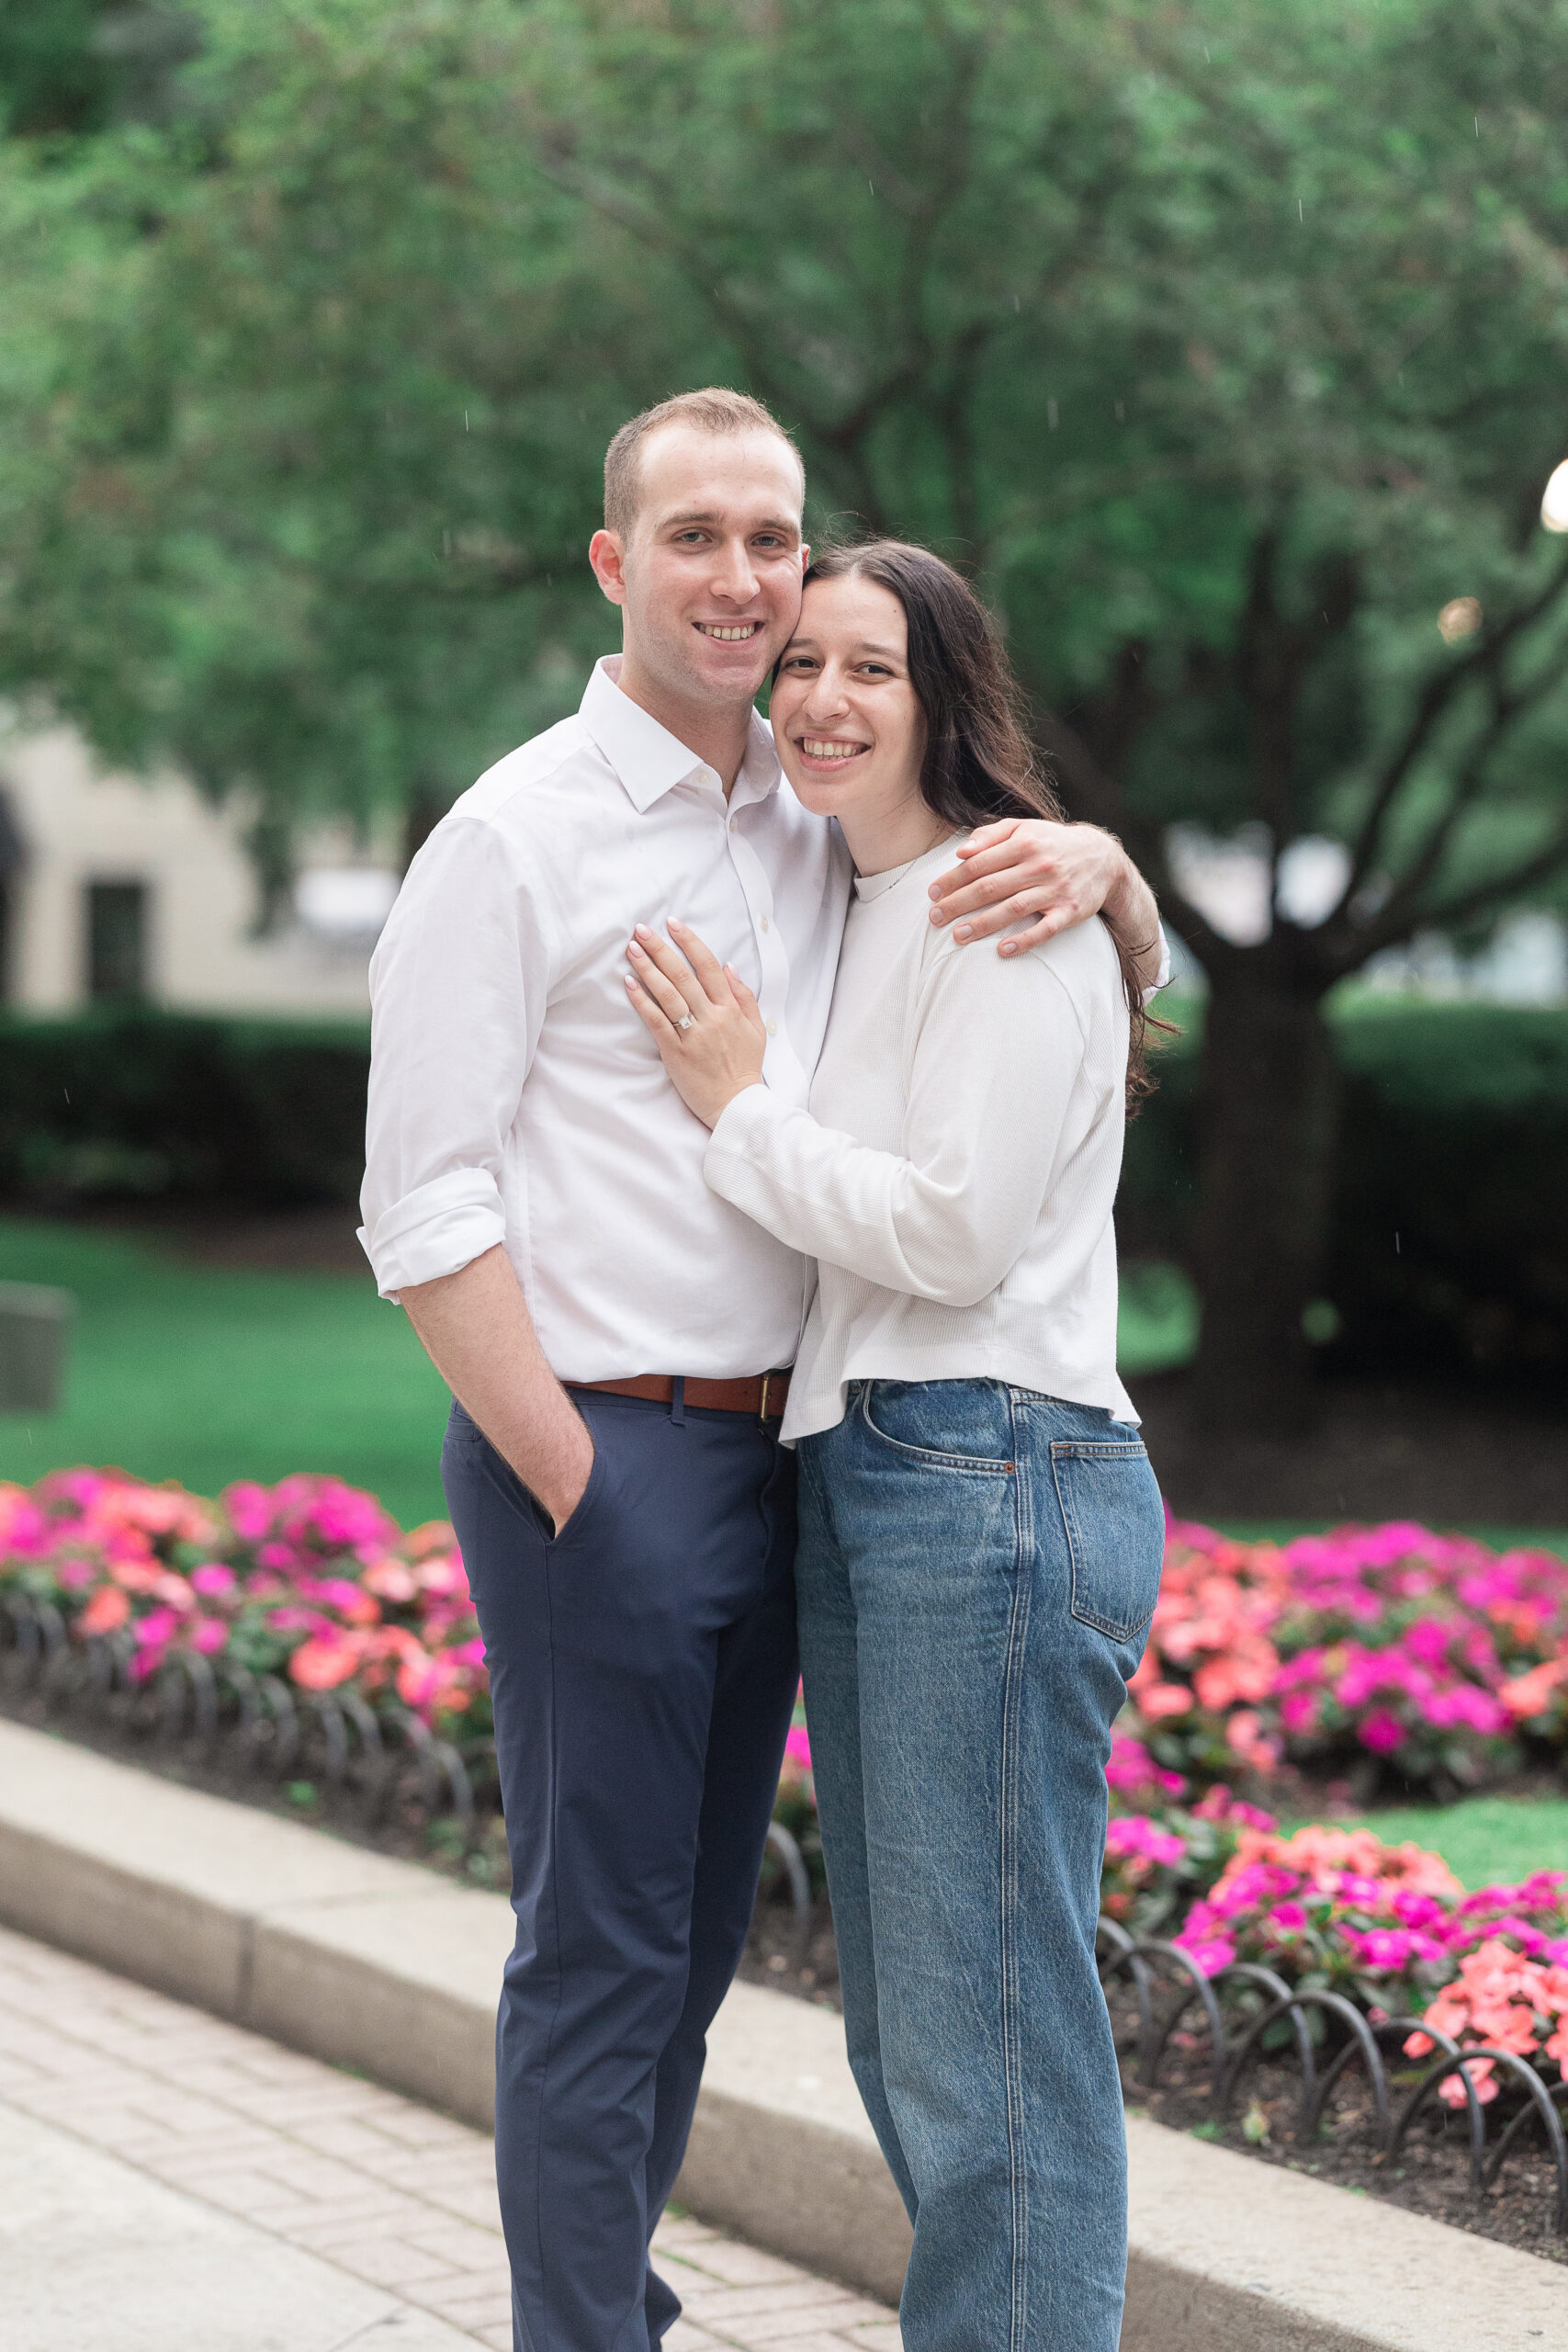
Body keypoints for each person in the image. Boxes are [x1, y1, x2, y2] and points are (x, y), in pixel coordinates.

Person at [359, 391, 1166, 2352]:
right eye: (697, 538)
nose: (745, 586)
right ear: (611, 561)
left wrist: (1114, 882)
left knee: (715, 1955)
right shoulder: (517, 835)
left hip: (812, 1458)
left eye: (774, 545)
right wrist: (569, 1473)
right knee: (607, 1959)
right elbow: (421, 1207)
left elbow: (1014, 981)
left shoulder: (811, 817)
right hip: (607, 1456)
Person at [625, 538, 1167, 2352]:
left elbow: (949, 1235)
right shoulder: (862, 895)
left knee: (984, 2028)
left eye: (872, 667)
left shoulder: (994, 909)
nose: (823, 701)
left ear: (944, 693)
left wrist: (740, 1109)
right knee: (918, 2025)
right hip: (887, 1468)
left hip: (991, 1466)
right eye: (801, 666)